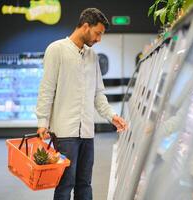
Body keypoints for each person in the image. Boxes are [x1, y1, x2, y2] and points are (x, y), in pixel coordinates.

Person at [36, 8, 127, 200]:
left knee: (84, 184)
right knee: (64, 184)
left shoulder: (92, 56)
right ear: (86, 26)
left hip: (87, 132)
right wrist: (42, 122)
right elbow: (47, 89)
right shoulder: (56, 49)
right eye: (97, 33)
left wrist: (112, 116)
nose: (99, 39)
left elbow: (98, 94)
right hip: (64, 132)